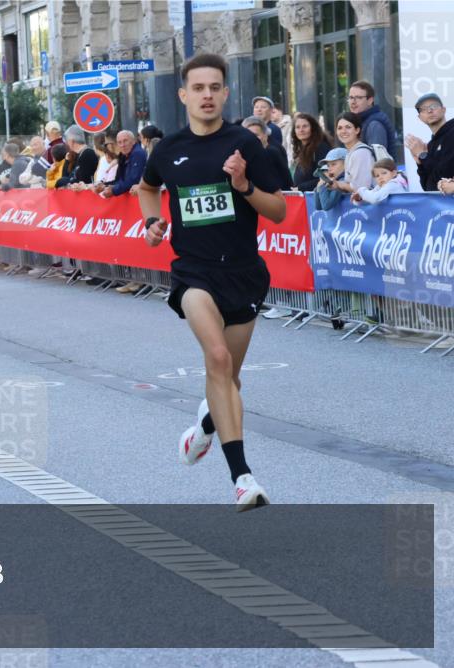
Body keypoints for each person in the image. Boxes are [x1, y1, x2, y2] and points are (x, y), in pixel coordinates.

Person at [138, 53, 286, 511]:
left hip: (243, 272)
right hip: (193, 271)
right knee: (217, 359)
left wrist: (243, 185)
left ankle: (205, 426)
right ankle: (242, 477)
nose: (206, 95)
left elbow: (277, 211)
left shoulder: (245, 144)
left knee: (229, 378)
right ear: (184, 95)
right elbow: (147, 188)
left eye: (214, 87)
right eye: (197, 88)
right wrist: (152, 221)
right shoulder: (167, 149)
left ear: (225, 93)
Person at [405, 93, 454, 192]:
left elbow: (444, 177)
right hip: (442, 206)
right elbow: (428, 187)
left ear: (443, 109)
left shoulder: (452, 133)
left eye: (434, 106)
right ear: (420, 117)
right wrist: (420, 163)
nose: (429, 110)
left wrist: (423, 155)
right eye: (423, 109)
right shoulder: (430, 145)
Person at [348, 81, 400, 158]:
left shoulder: (374, 125)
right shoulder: (362, 121)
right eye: (351, 97)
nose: (353, 102)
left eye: (358, 98)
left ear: (370, 100)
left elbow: (378, 160)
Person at [328, 112, 373, 195]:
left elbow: (360, 188)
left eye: (348, 127)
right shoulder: (351, 153)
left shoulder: (360, 153)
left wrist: (338, 184)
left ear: (357, 130)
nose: (343, 131)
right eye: (340, 128)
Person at [242, 116, 293, 190]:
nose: (252, 138)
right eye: (249, 135)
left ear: (265, 135)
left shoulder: (271, 152)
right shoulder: (248, 154)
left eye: (256, 135)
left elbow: (284, 179)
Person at [290, 112, 333, 191]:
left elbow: (325, 177)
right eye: (297, 127)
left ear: (313, 128)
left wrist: (300, 188)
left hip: (314, 198)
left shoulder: (321, 147)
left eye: (305, 126)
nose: (301, 130)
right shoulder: (302, 148)